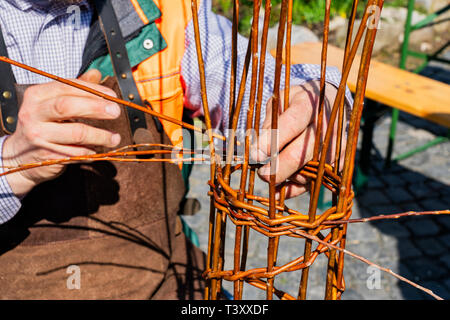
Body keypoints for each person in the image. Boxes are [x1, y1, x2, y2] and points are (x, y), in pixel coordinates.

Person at [0, 0, 352, 299]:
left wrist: (312, 99)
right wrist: (11, 164)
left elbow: (248, 78)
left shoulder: (163, 7)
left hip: (169, 282)